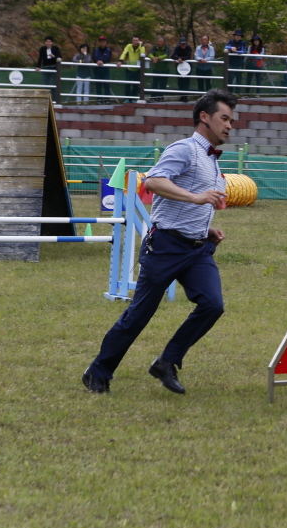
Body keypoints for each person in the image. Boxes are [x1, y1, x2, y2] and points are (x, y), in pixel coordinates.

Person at [82, 89, 236, 396]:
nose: (230, 125)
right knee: (139, 314)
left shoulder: (214, 163)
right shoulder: (184, 149)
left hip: (196, 250)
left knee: (212, 305)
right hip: (165, 246)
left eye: (232, 120)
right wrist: (196, 197)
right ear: (204, 117)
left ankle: (167, 361)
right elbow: (152, 181)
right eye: (224, 118)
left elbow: (190, 204)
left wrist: (207, 230)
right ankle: (98, 371)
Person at [119, 35, 148, 99]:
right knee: (127, 84)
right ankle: (127, 98)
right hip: (129, 69)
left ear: (139, 41)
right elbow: (124, 53)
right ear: (132, 41)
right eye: (134, 40)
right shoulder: (128, 46)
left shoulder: (141, 47)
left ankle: (133, 98)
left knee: (136, 85)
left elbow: (142, 54)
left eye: (136, 40)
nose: (135, 42)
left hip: (137, 70)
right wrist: (121, 60)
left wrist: (141, 46)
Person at [35, 36, 62, 103]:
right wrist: (38, 66)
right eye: (47, 42)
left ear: (52, 42)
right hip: (45, 67)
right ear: (45, 42)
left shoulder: (55, 48)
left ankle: (54, 100)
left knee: (53, 84)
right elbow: (40, 58)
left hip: (53, 67)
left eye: (49, 42)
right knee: (45, 84)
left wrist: (54, 56)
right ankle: (45, 99)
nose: (48, 43)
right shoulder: (42, 49)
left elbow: (60, 57)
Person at [91, 36, 113, 102]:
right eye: (101, 41)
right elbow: (94, 57)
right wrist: (98, 61)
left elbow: (108, 58)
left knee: (106, 84)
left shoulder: (108, 50)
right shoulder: (96, 50)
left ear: (106, 42)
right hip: (97, 69)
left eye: (103, 41)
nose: (102, 43)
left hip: (105, 69)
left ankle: (107, 99)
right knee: (98, 85)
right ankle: (99, 99)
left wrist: (103, 62)